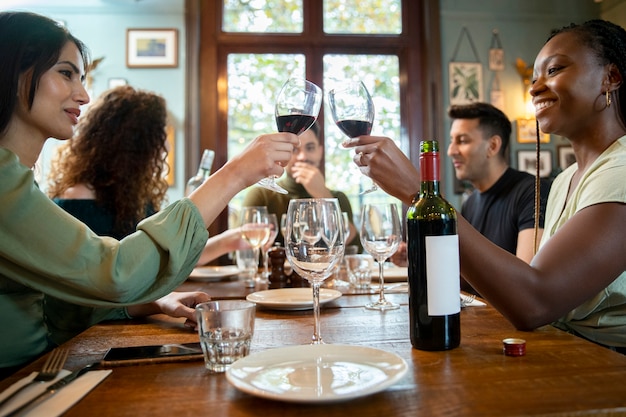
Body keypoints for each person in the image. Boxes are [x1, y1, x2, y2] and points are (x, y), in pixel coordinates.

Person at [0, 11, 299, 375]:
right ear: (14, 73)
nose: (83, 94)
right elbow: (114, 273)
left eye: (82, 78)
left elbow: (51, 304)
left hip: (40, 373)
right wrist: (234, 174)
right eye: (66, 73)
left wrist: (151, 303)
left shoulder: (16, 177)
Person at [343, 19, 626, 353]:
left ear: (611, 77)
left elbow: (535, 302)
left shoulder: (620, 171)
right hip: (561, 351)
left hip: (606, 368)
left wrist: (421, 195)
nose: (534, 87)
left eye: (554, 70)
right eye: (534, 78)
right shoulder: (565, 180)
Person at [44, 86, 253, 345]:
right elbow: (88, 299)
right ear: (135, 144)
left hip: (124, 332)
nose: (166, 144)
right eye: (160, 134)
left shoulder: (130, 198)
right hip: (90, 342)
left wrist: (228, 241)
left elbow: (160, 259)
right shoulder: (76, 202)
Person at [242, 120, 359, 247]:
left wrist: (323, 195)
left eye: (310, 148)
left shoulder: (338, 199)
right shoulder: (262, 196)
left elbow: (354, 249)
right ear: (283, 154)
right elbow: (243, 252)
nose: (303, 156)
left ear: (320, 152)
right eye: (294, 150)